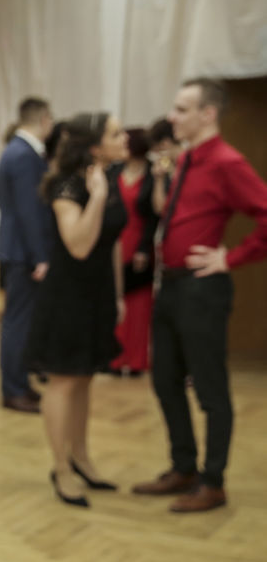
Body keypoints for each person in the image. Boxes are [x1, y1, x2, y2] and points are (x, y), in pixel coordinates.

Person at [132, 78, 267, 512]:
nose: (172, 117)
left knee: (209, 388)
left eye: (182, 109)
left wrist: (231, 258)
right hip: (170, 285)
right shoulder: (186, 158)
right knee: (165, 380)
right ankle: (184, 467)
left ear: (208, 114)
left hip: (201, 289)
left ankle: (213, 481)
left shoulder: (227, 161)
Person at [25, 112, 128, 507]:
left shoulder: (109, 177)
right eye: (116, 133)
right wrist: (98, 197)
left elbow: (112, 242)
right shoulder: (67, 185)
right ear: (95, 146)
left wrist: (118, 295)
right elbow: (80, 245)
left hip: (98, 293)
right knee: (64, 381)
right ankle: (61, 467)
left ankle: (82, 457)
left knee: (85, 378)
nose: (125, 138)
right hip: (68, 297)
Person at [0, 97, 56, 413]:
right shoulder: (24, 155)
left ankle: (20, 384)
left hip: (15, 249)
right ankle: (14, 389)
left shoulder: (14, 151)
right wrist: (40, 256)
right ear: (44, 119)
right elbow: (29, 211)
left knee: (20, 321)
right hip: (23, 252)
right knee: (17, 323)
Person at [109, 126, 161, 375]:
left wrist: (143, 248)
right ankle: (115, 359)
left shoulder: (153, 173)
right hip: (115, 239)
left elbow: (154, 216)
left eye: (124, 141)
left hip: (140, 241)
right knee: (115, 297)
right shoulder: (114, 170)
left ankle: (136, 360)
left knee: (139, 304)